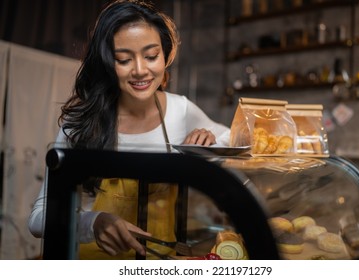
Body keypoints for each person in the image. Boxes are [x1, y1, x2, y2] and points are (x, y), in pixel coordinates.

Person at [28, 0, 230, 259]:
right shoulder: (82, 122)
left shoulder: (181, 111)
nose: (140, 70)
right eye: (123, 59)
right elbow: (37, 218)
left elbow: (233, 137)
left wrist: (209, 138)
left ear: (165, 55)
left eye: (151, 56)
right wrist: (93, 222)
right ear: (106, 62)